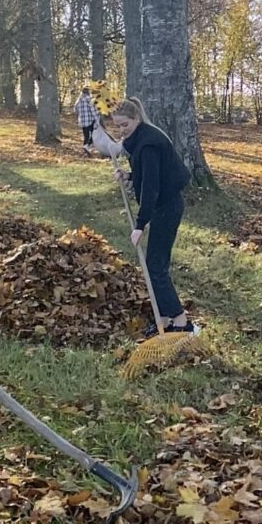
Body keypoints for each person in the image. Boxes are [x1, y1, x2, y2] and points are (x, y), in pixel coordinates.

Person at [111, 97, 195, 338]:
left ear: (136, 119)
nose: (121, 130)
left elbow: (151, 187)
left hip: (167, 206)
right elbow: (143, 173)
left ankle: (181, 323)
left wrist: (140, 224)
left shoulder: (148, 143)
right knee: (155, 265)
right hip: (163, 204)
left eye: (125, 124)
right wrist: (128, 176)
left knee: (155, 267)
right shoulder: (140, 138)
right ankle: (166, 320)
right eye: (118, 126)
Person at [74, 87, 99, 156]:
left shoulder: (78, 100)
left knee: (86, 135)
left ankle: (86, 147)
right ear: (88, 92)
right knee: (93, 135)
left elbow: (75, 109)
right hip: (90, 120)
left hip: (82, 121)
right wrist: (97, 120)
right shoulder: (90, 100)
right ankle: (88, 146)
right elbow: (93, 111)